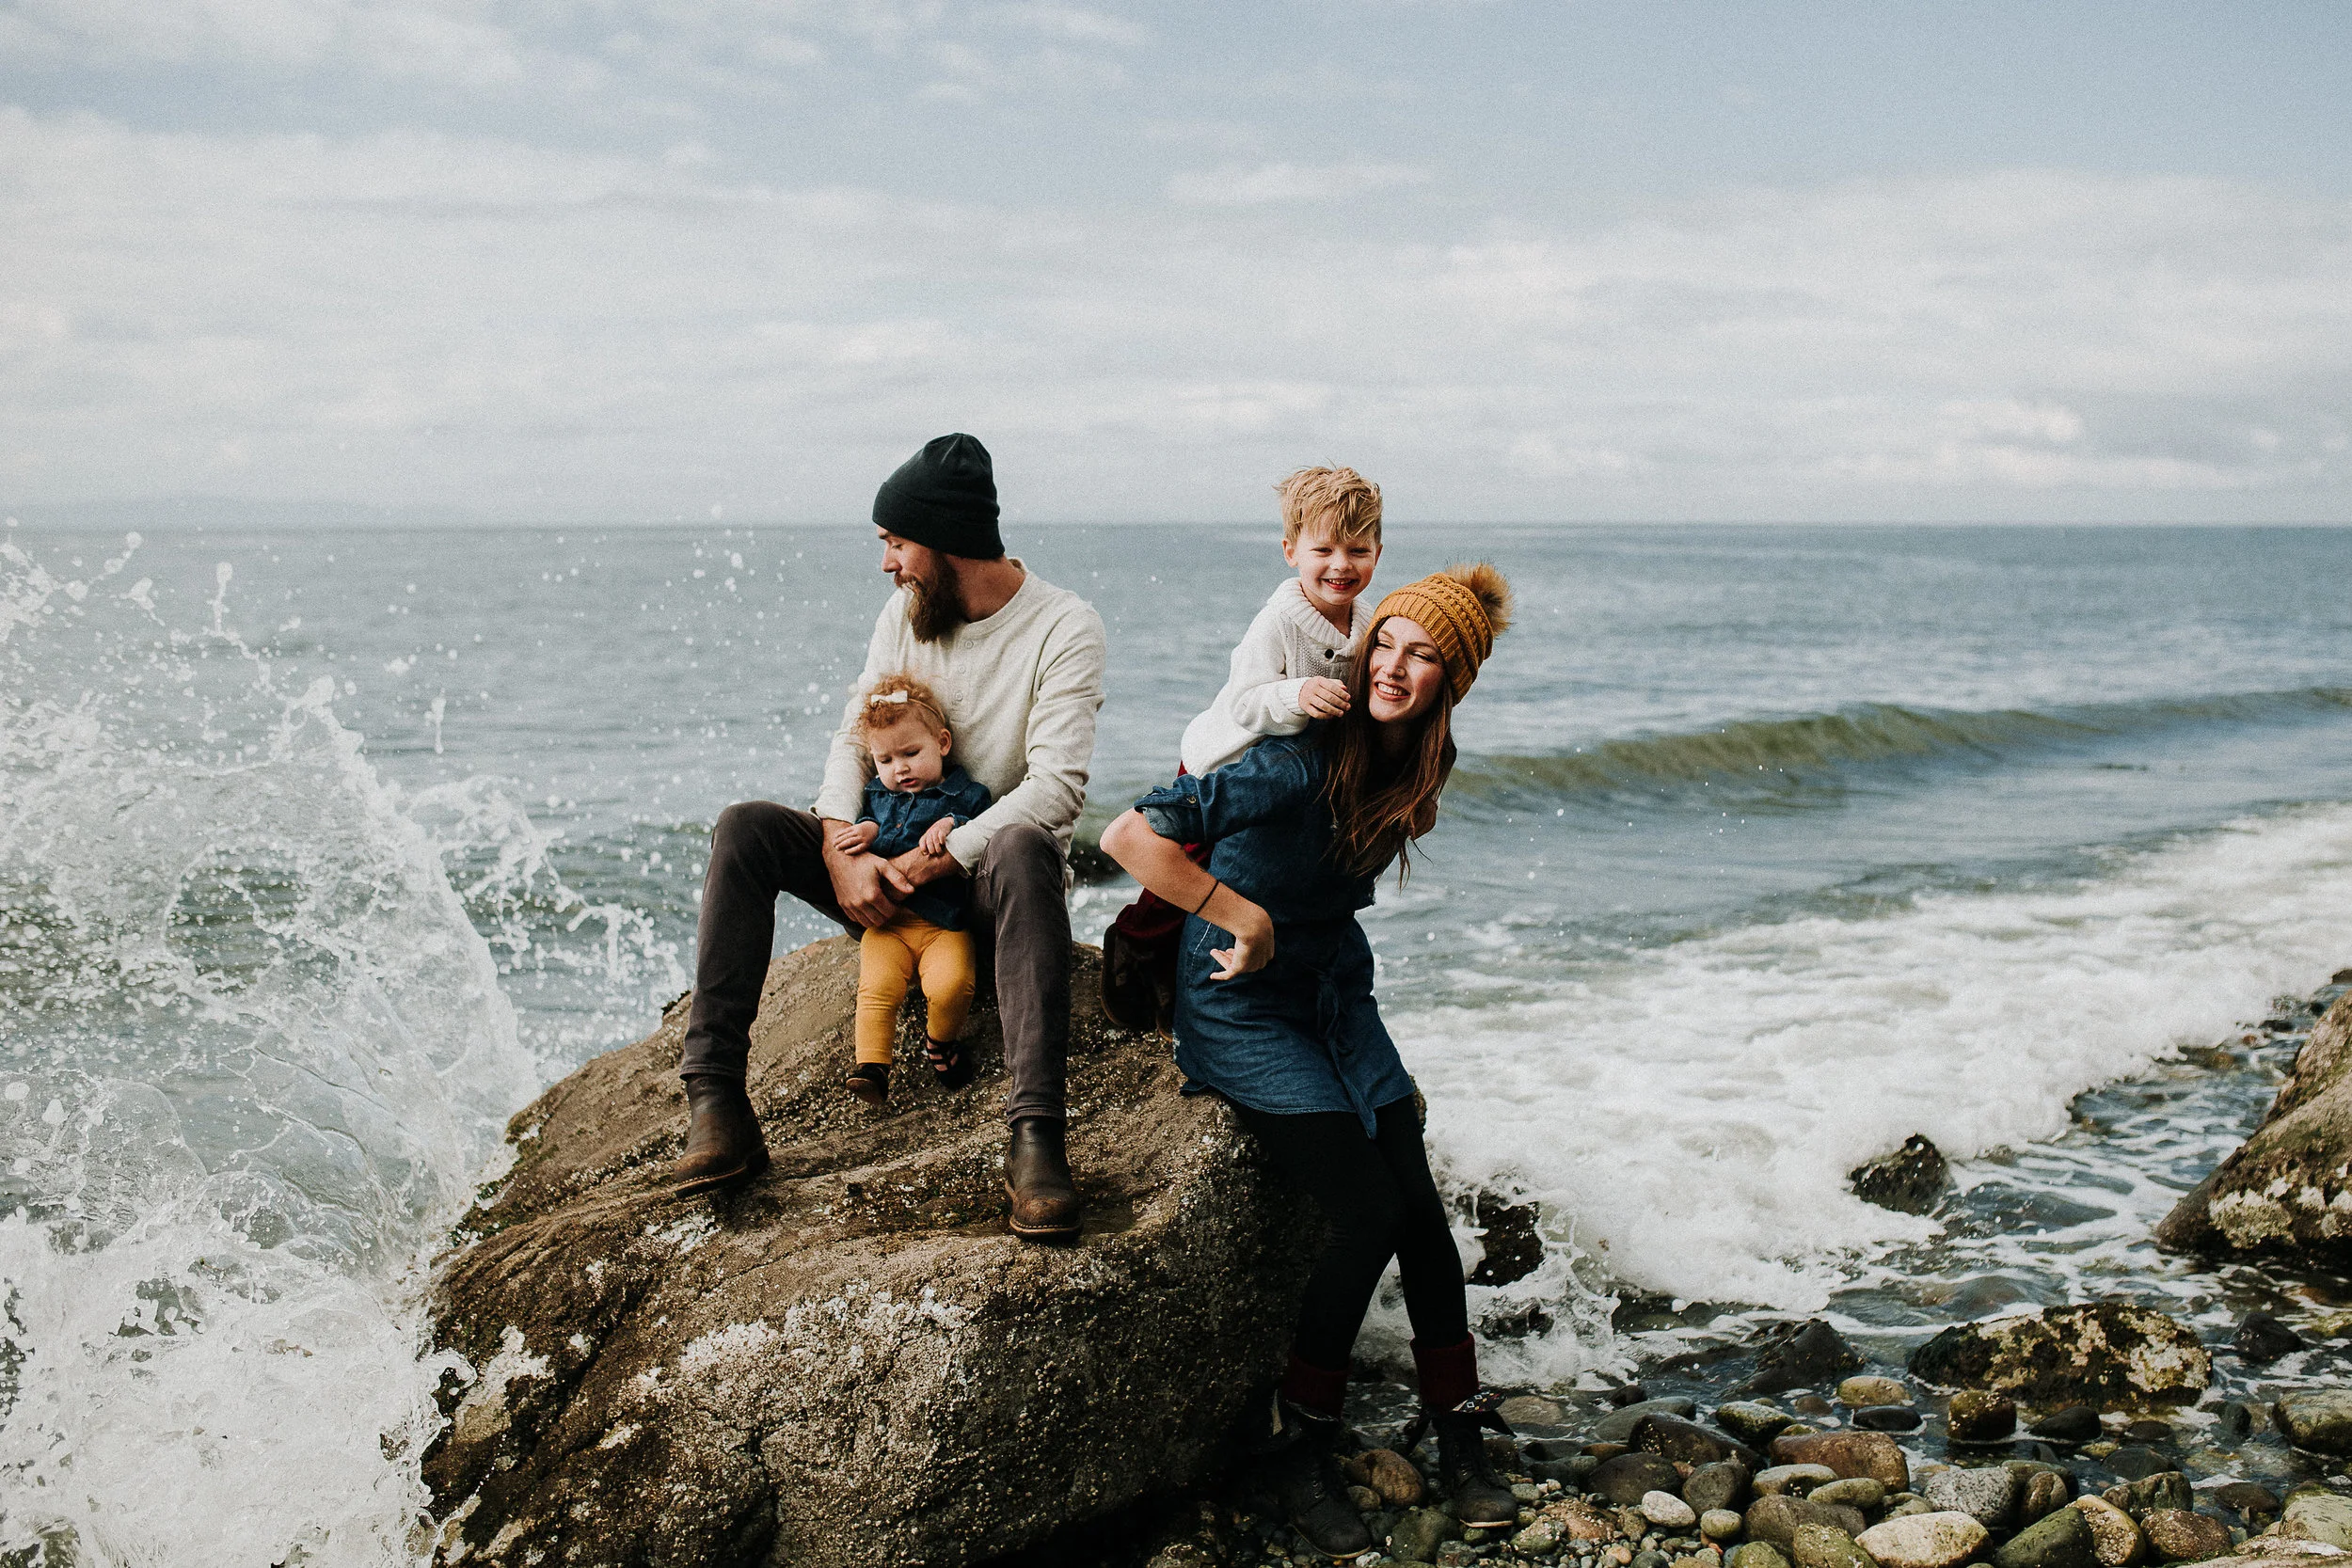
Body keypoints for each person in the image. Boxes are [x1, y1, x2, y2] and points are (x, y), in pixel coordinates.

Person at [1099, 563, 1517, 1559]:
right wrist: (1241, 914)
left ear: (1449, 682)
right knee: (1366, 1207)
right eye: (1386, 641)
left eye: (1423, 655)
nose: (1394, 665)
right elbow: (1130, 834)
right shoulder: (1293, 760)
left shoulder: (1417, 764)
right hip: (1240, 1000)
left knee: (1416, 1204)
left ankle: (1458, 1423)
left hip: (1335, 991)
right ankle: (1298, 1440)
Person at [673, 433, 1107, 1246]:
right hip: (880, 866)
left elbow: (1054, 790)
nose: (888, 565)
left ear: (945, 545)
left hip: (981, 891)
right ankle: (717, 1101)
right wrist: (843, 850)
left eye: (896, 544)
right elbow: (851, 738)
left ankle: (1037, 1140)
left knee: (1023, 843)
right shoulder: (905, 615)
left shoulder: (1063, 626)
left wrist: (920, 860)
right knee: (745, 829)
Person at [1099, 466, 1385, 1032]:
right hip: (1222, 761)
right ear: (1290, 551)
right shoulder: (1278, 622)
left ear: (1378, 550)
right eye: (1322, 548)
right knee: (1191, 870)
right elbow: (1247, 704)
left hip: (1277, 780)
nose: (1341, 565)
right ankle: (1132, 945)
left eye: (1357, 549)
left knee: (1247, 878)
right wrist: (1296, 693)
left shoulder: (1368, 623)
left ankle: (1219, 964)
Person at [830, 673, 993, 1106]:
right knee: (877, 989)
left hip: (944, 924)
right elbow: (874, 825)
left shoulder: (966, 793)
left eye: (910, 753)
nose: (899, 768)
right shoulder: (876, 797)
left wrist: (952, 824)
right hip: (890, 925)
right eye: (885, 760)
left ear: (942, 743)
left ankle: (940, 1042)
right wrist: (864, 832)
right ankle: (872, 1067)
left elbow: (985, 829)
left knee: (953, 985)